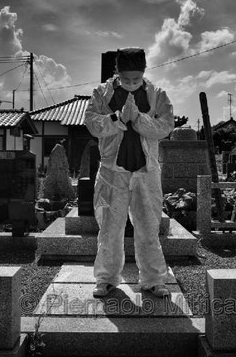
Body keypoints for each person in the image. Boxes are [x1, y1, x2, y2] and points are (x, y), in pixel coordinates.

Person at [84, 47, 175, 298]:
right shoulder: (101, 93)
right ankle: (106, 278)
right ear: (117, 73)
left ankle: (154, 279)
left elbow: (166, 126)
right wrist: (116, 118)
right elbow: (91, 123)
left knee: (148, 227)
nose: (131, 84)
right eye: (126, 79)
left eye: (136, 79)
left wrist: (138, 119)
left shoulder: (157, 94)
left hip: (146, 171)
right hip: (112, 171)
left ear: (144, 73)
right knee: (110, 228)